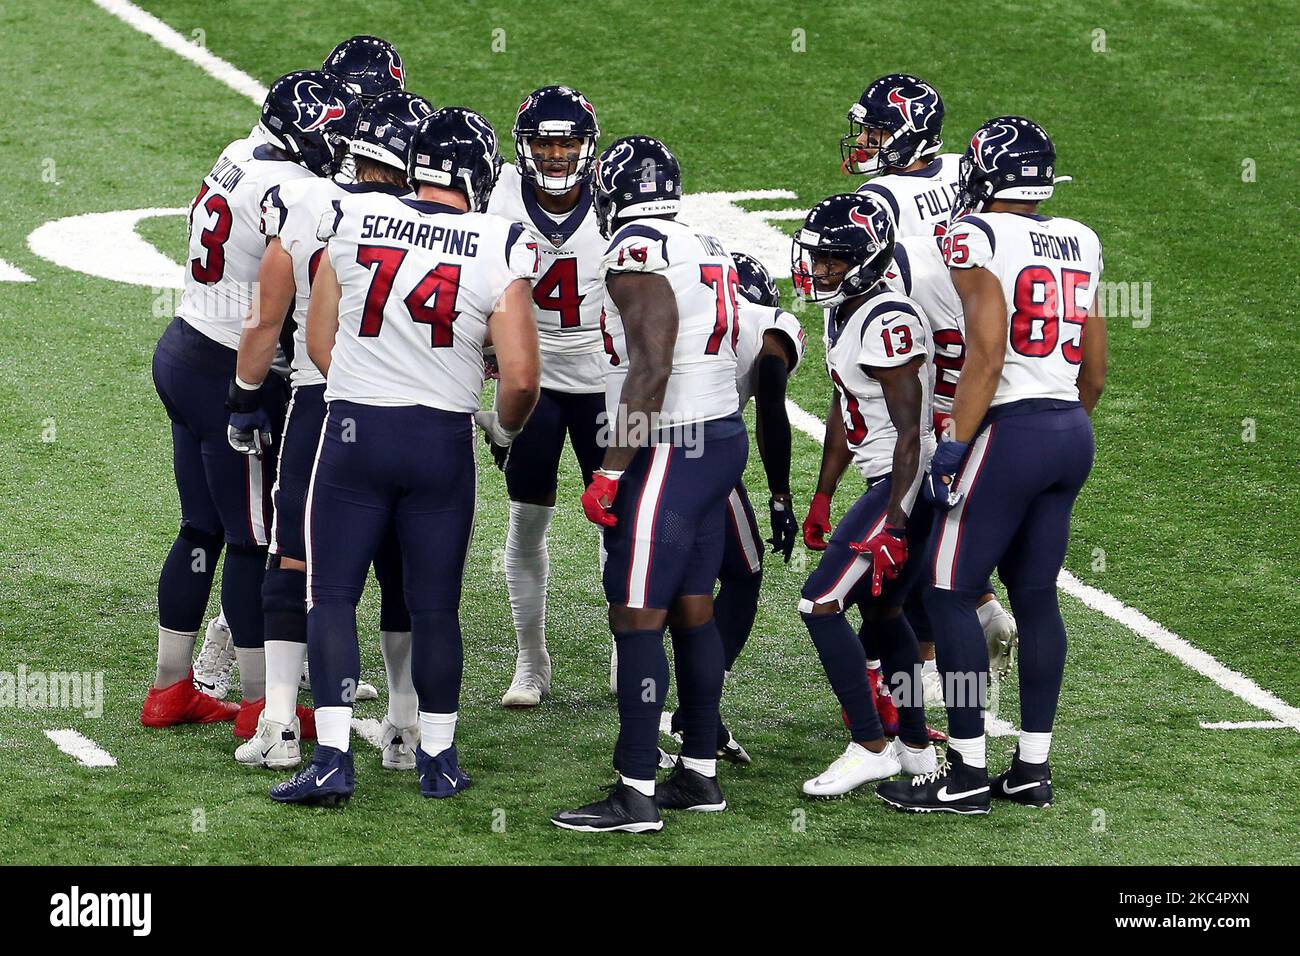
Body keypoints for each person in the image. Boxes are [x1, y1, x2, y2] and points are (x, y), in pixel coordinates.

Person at [270, 108, 540, 806]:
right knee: (435, 607)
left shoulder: (354, 220)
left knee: (329, 596)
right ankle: (438, 759)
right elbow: (521, 378)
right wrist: (503, 433)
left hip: (356, 431)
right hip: (441, 440)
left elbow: (320, 341)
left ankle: (331, 761)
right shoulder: (496, 241)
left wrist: (368, 382)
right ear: (478, 176)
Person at [877, 116, 1105, 814]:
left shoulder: (973, 234)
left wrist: (955, 444)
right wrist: (1058, 431)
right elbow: (1094, 370)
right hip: (1069, 427)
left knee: (947, 591)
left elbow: (987, 353)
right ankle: (1031, 769)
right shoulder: (1083, 239)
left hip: (1009, 430)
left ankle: (967, 773)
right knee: (1035, 596)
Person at [141, 71, 355, 731]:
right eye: (328, 132)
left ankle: (169, 690)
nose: (337, 144)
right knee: (251, 541)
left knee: (199, 529)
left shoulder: (240, 153)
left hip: (183, 347)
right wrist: (248, 393)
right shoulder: (289, 188)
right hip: (232, 369)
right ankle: (263, 706)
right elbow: (271, 305)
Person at [228, 91, 435, 770]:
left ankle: (284, 726)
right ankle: (406, 732)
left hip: (324, 404)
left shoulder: (305, 201)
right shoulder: (443, 223)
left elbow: (269, 311)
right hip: (417, 410)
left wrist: (244, 396)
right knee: (405, 571)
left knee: (296, 561)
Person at [551, 137, 747, 833]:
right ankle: (699, 772)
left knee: (636, 616)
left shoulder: (637, 247)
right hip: (718, 438)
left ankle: (635, 788)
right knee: (693, 608)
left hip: (669, 446)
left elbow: (651, 365)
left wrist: (610, 469)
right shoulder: (703, 241)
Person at [790, 194, 940, 797]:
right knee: (883, 614)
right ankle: (916, 749)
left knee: (820, 605)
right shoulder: (846, 312)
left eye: (830, 261)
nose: (816, 270)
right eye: (815, 258)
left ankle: (869, 744)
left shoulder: (887, 319)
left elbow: (913, 432)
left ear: (866, 259)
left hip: (905, 486)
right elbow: (842, 402)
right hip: (888, 483)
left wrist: (896, 521)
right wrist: (824, 493)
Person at [482, 85, 606, 708]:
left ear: (588, 145)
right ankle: (531, 659)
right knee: (527, 517)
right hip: (530, 372)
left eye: (567, 142)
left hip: (606, 377)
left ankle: (623, 642)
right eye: (544, 142)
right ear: (523, 145)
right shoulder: (497, 193)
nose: (556, 155)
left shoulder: (619, 196)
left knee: (621, 520)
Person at [662, 252, 805, 765]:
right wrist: (781, 494)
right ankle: (698, 714)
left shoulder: (670, 304)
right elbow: (770, 383)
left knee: (651, 594)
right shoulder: (766, 321)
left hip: (632, 453)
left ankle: (643, 737)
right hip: (696, 453)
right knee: (743, 574)